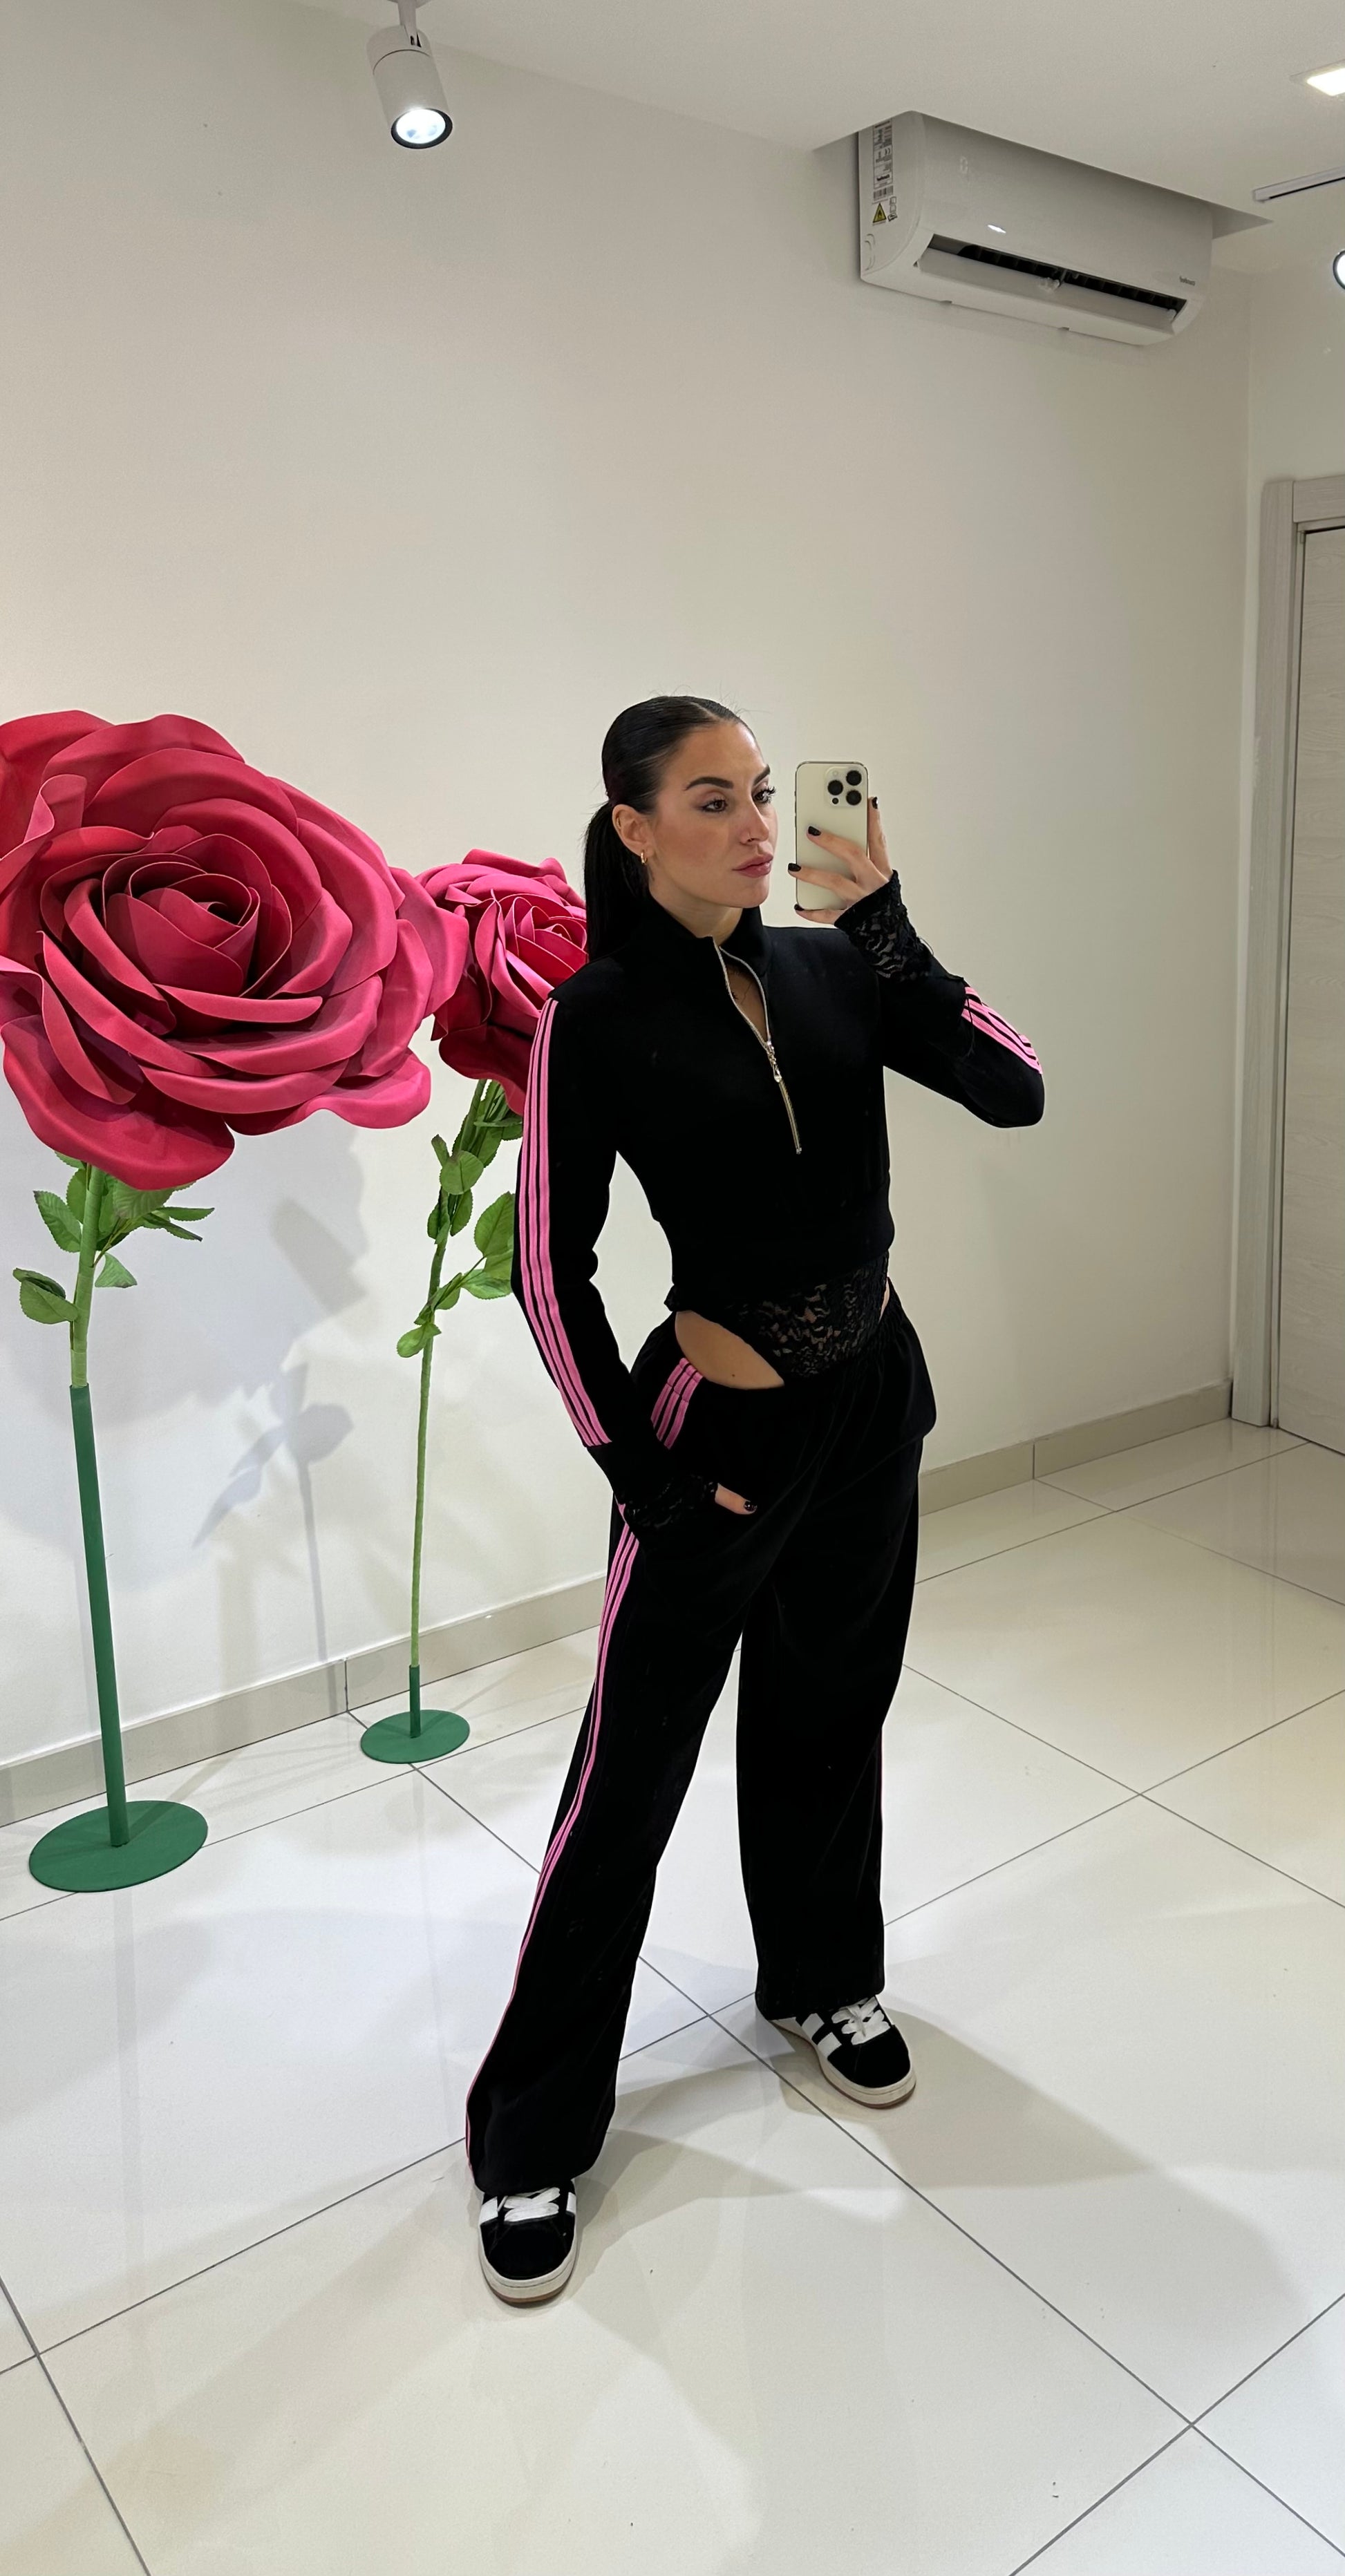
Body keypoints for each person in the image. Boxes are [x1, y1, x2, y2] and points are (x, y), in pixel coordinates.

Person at [468, 696, 1044, 2303]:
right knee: (625, 1782)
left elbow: (1015, 1087)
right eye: (711, 798)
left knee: (830, 1711)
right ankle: (530, 2132)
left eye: (762, 794)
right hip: (713, 1427)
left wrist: (888, 927)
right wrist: (640, 1477)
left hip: (870, 1408)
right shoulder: (593, 1015)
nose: (751, 824)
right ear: (634, 826)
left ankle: (820, 1980)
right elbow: (547, 1267)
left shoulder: (835, 968)